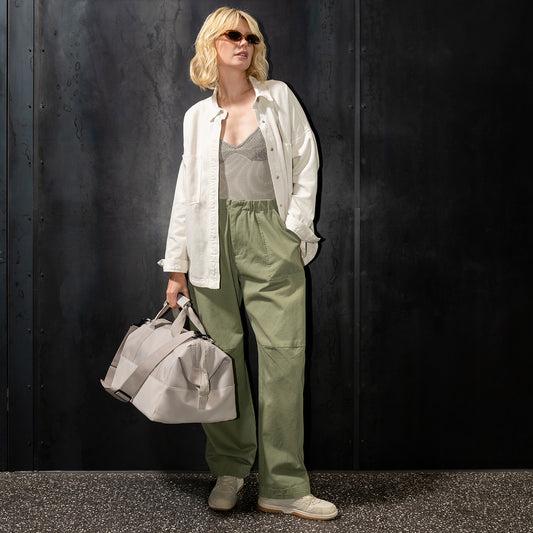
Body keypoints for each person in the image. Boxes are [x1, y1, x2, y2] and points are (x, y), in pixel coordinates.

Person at [158, 6, 337, 521]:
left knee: (284, 357)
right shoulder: (197, 117)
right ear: (211, 45)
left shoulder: (277, 98)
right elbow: (186, 193)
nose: (245, 44)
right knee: (220, 360)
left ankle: (284, 485)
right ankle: (231, 470)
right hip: (209, 239)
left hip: (270, 236)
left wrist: (293, 229)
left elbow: (306, 162)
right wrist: (176, 266)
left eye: (251, 38)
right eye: (233, 36)